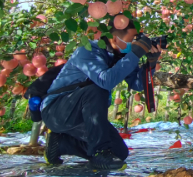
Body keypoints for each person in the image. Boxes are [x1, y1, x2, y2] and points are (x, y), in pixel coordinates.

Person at [41, 18, 162, 169]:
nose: (134, 44)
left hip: (83, 118)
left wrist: (150, 63)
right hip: (57, 111)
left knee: (119, 153)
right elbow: (106, 81)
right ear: (113, 38)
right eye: (131, 40)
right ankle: (100, 152)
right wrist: (135, 54)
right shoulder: (88, 50)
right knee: (97, 88)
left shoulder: (120, 56)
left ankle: (62, 143)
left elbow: (137, 84)